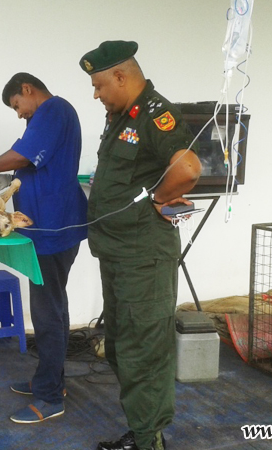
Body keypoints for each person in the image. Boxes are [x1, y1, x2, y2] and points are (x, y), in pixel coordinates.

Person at [79, 41, 202, 450]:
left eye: (98, 85)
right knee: (120, 348)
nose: (96, 94)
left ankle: (149, 441)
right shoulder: (121, 116)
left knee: (143, 352)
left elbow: (188, 168)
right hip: (117, 254)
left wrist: (159, 198)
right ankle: (144, 429)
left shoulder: (155, 114)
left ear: (120, 76)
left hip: (143, 258)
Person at [0, 73, 88, 424]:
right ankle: (50, 380)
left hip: (53, 226)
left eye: (17, 105)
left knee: (47, 312)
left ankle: (50, 397)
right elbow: (29, 165)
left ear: (27, 90)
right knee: (53, 305)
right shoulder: (43, 118)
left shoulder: (54, 110)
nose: (18, 114)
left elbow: (22, 156)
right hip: (47, 225)